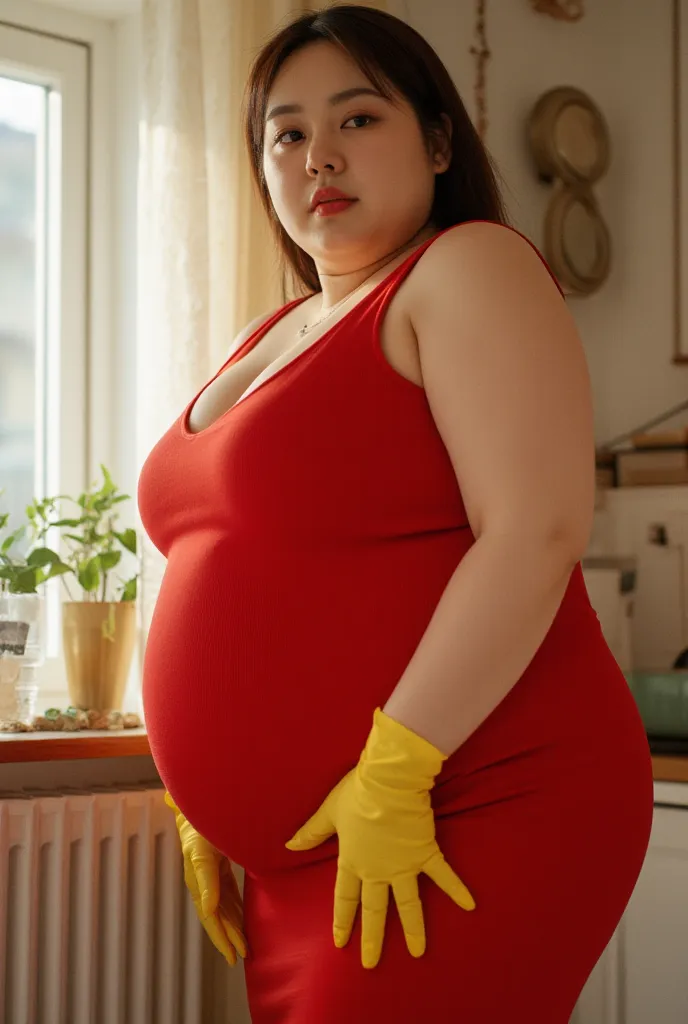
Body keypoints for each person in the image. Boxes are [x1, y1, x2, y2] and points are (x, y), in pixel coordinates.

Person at [137, 5, 654, 1022]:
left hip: (470, 795)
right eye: (286, 133)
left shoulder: (465, 267)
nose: (318, 155)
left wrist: (395, 768)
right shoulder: (268, 332)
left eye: (357, 119)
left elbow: (534, 531)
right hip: (314, 845)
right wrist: (212, 797)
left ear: (437, 138)